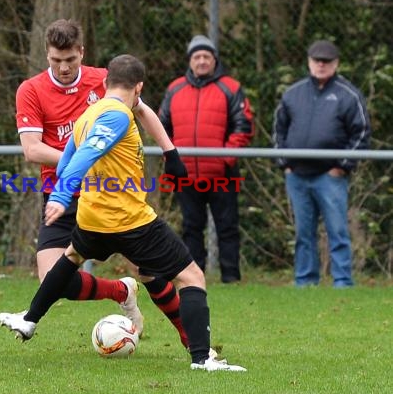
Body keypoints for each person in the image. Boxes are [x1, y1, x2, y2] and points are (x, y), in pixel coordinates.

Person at [0, 54, 246, 371]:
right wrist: (59, 196)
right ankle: (202, 359)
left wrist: (171, 153)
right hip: (129, 221)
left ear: (104, 83)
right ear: (139, 87)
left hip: (91, 217)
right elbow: (87, 153)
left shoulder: (89, 114)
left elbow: (69, 155)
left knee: (72, 256)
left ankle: (30, 319)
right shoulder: (117, 116)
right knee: (191, 276)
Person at [9, 18, 193, 347]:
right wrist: (85, 155)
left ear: (82, 52)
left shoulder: (103, 82)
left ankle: (191, 340)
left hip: (111, 197)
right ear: (46, 55)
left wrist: (170, 151)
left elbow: (142, 110)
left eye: (70, 60)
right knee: (53, 279)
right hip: (60, 194)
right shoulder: (31, 90)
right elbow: (32, 149)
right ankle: (120, 291)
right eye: (56, 60)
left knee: (151, 271)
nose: (64, 67)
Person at [273, 40, 371, 287]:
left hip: (330, 176)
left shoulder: (349, 95)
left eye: (326, 61)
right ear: (308, 62)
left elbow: (361, 133)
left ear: (336, 64)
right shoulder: (292, 94)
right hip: (296, 175)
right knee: (303, 233)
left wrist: (342, 166)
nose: (321, 65)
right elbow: (278, 130)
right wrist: (285, 163)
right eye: (317, 60)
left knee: (337, 231)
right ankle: (305, 281)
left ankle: (342, 282)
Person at [158, 35, 254, 283]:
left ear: (214, 60)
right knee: (191, 227)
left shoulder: (230, 87)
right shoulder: (175, 88)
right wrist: (173, 158)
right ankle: (194, 277)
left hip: (222, 174)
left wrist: (225, 158)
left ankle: (231, 277)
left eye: (206, 57)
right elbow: (161, 126)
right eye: (197, 57)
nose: (201, 61)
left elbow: (243, 126)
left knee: (228, 227)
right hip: (186, 174)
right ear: (190, 61)